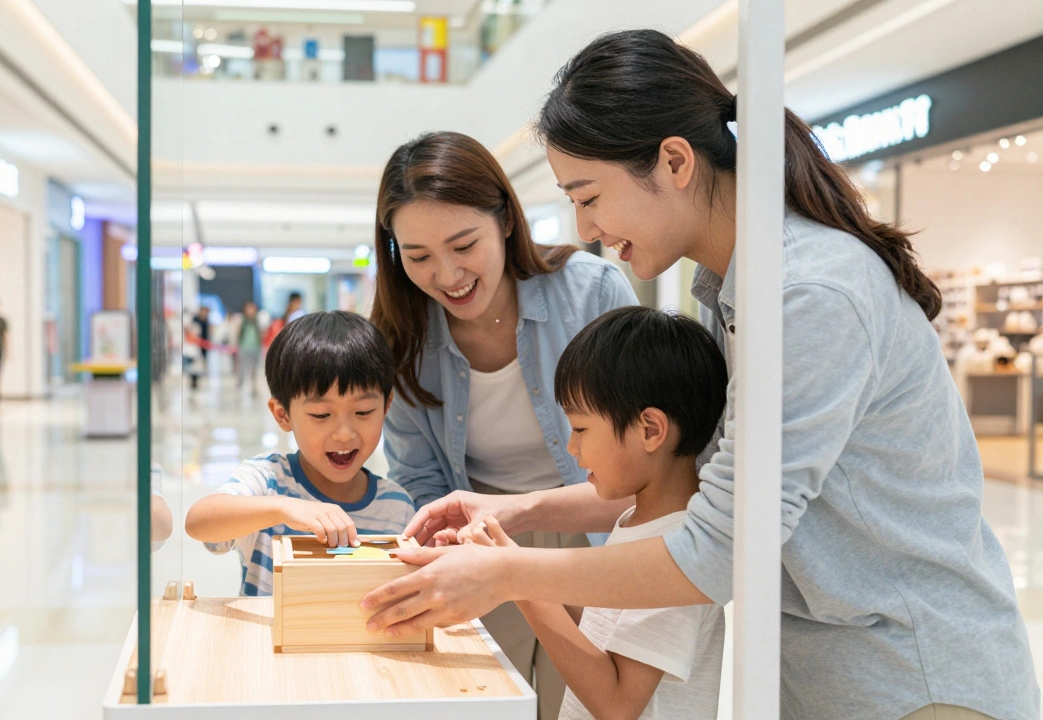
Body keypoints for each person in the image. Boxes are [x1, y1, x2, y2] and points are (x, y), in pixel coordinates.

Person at [362, 30, 1039, 720]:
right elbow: (685, 484)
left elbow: (718, 547)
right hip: (827, 676)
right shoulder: (733, 292)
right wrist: (517, 511)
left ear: (675, 162)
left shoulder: (806, 294)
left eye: (589, 196)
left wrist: (511, 572)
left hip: (911, 679)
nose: (585, 226)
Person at [368, 130, 638, 720]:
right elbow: (419, 476)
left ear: (506, 221)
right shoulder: (405, 341)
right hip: (476, 545)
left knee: (592, 703)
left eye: (464, 244)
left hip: (596, 530)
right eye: (417, 257)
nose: (446, 275)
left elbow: (647, 459)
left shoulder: (590, 293)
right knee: (492, 702)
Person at [468, 306, 728, 720]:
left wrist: (515, 580)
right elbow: (604, 630)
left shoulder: (677, 549)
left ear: (650, 430)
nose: (573, 448)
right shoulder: (638, 520)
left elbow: (619, 704)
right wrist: (511, 564)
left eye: (581, 429)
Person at [183, 311, 416, 596]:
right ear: (283, 415)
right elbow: (199, 522)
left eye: (363, 412)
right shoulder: (268, 481)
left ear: (386, 406)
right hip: (266, 640)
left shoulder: (397, 507)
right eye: (321, 414)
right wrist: (284, 508)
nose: (344, 433)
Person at [232, 300, 263, 394]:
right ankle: (240, 383)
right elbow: (238, 333)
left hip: (255, 347)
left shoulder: (258, 321)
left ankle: (254, 386)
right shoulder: (241, 320)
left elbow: (261, 334)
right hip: (244, 347)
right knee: (242, 367)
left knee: (254, 368)